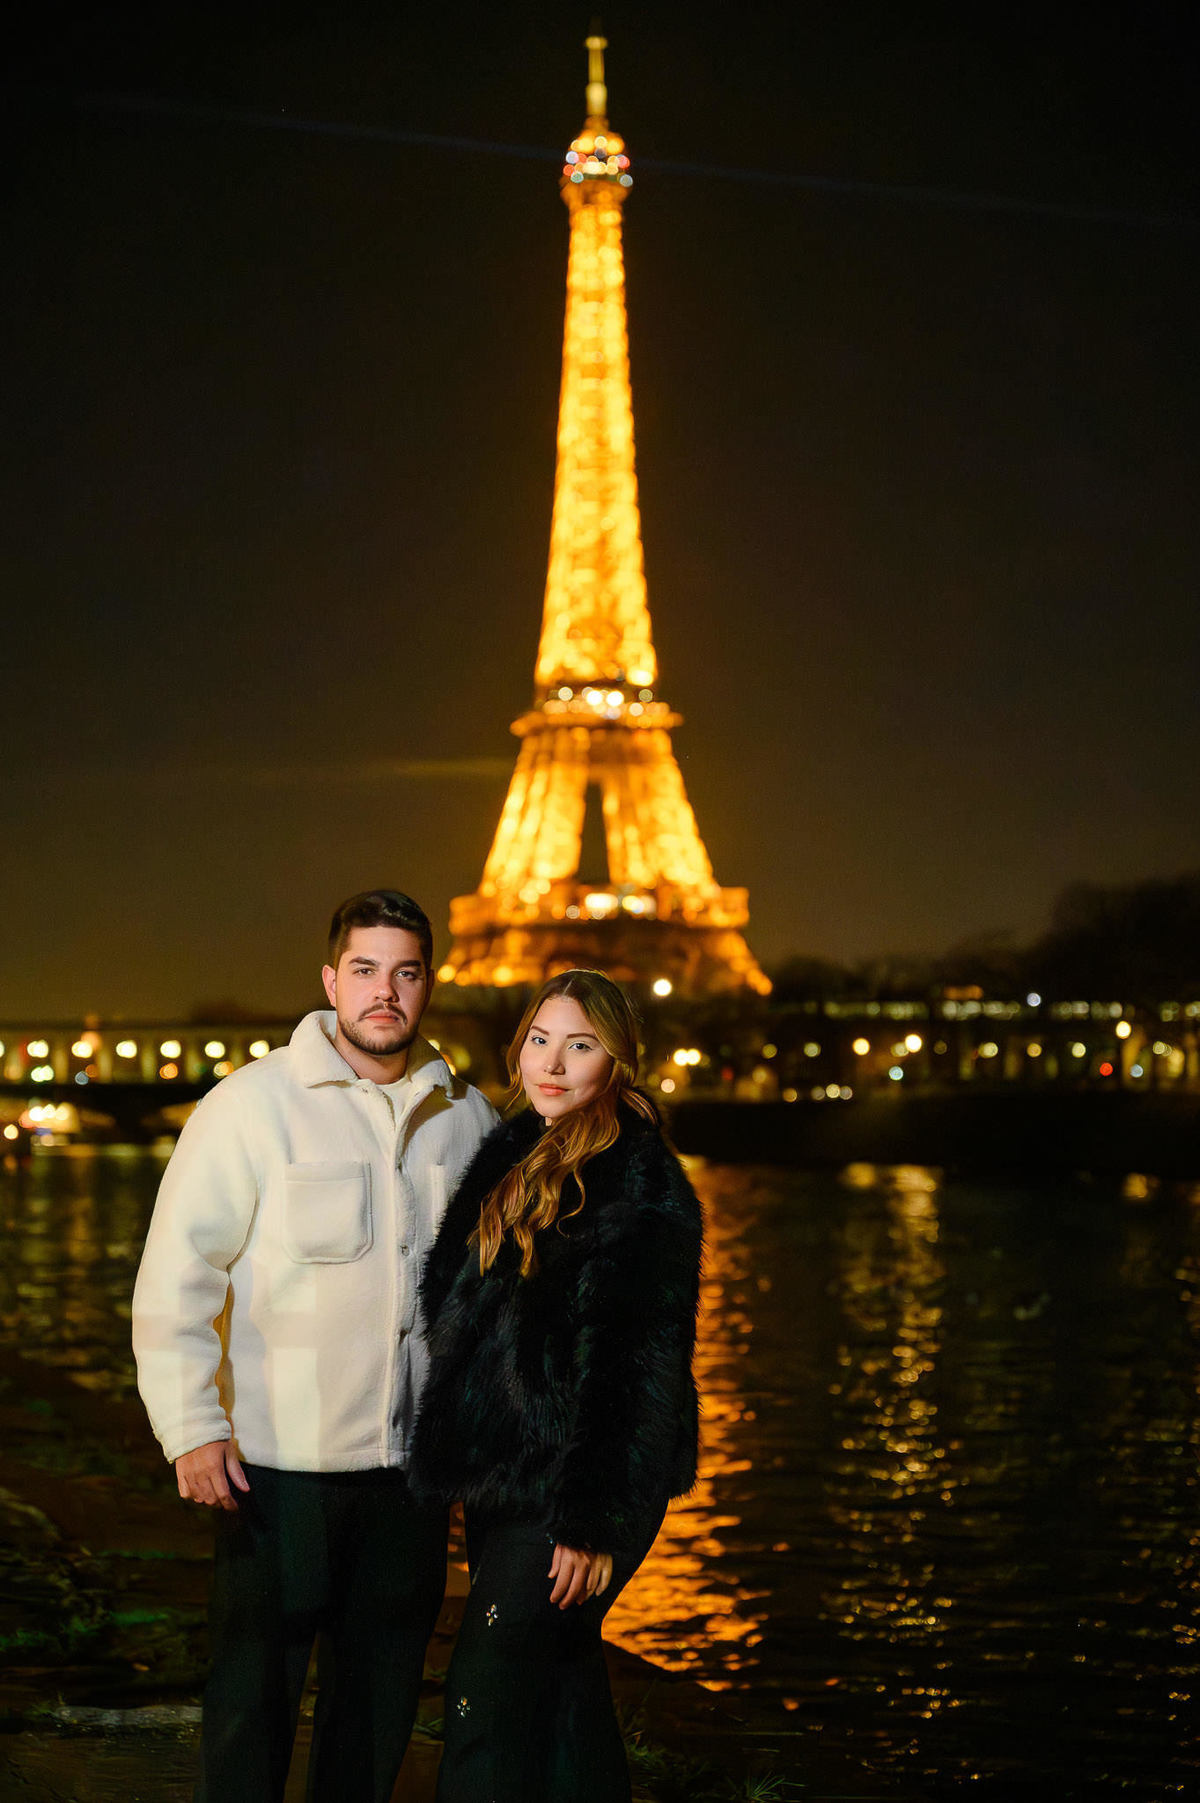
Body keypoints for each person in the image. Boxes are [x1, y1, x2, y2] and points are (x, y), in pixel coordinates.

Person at [131, 889, 498, 1803]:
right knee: (252, 1701)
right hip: (275, 1465)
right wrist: (191, 1426)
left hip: (410, 1475)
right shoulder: (250, 1105)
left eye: (406, 973)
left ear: (429, 984)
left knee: (376, 1708)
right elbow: (178, 1274)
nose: (386, 992)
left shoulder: (469, 1118)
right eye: (366, 970)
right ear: (331, 980)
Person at [410, 968, 703, 1803]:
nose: (553, 1062)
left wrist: (590, 1520)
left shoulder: (638, 1181)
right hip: (513, 1474)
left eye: (580, 1045)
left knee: (482, 1690)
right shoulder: (515, 1151)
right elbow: (454, 1305)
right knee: (563, 1685)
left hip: (578, 1485)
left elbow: (636, 1364)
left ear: (617, 1060)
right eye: (540, 1040)